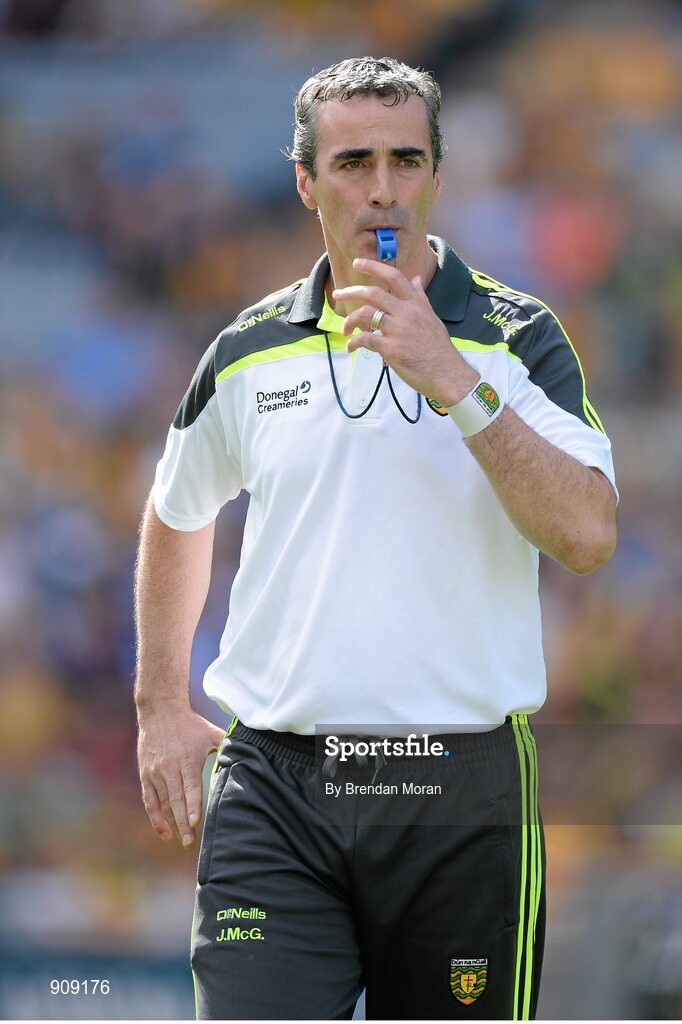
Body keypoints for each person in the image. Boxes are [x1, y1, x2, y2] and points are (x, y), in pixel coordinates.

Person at [134, 56, 618, 1020]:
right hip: (277, 784)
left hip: (458, 788)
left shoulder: (518, 340)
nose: (383, 187)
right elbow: (177, 509)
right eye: (354, 162)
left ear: (437, 174)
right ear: (307, 181)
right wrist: (160, 702)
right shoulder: (245, 350)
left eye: (406, 159)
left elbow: (586, 533)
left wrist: (452, 378)